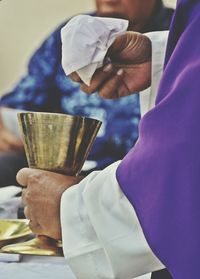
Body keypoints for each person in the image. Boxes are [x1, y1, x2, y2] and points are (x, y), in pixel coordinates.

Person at [17, 0, 200, 278]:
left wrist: (73, 209)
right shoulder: (66, 40)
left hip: (121, 186)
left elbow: (185, 150)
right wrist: (164, 63)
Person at [0, 0, 174, 186]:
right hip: (66, 168)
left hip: (140, 174)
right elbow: (22, 101)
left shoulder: (183, 40)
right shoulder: (73, 36)